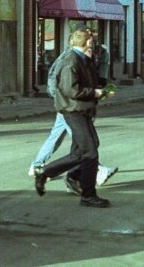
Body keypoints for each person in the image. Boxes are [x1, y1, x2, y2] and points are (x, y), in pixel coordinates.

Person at [33, 29, 113, 208]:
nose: (93, 47)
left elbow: (89, 82)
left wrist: (102, 90)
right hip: (73, 110)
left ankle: (46, 172)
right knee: (90, 152)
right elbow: (71, 90)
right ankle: (88, 195)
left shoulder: (83, 59)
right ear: (85, 43)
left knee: (83, 151)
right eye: (91, 43)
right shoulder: (71, 60)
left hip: (82, 110)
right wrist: (95, 92)